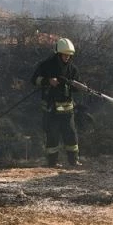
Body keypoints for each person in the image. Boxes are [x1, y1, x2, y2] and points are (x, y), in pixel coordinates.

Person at [30, 37, 82, 167]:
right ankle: (52, 162)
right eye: (65, 55)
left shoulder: (72, 69)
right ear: (58, 53)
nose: (67, 58)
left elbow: (77, 87)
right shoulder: (46, 65)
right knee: (52, 134)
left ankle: (73, 160)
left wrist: (77, 86)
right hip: (51, 108)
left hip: (67, 109)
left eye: (69, 55)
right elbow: (34, 80)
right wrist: (48, 81)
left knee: (71, 135)